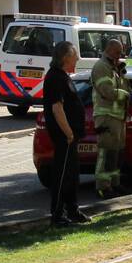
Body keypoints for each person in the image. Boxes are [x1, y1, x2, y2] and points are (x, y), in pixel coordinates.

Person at [42, 41, 89, 226]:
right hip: (64, 137)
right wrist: (68, 133)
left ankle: (72, 210)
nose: (77, 58)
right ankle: (58, 214)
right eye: (74, 56)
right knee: (62, 175)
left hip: (71, 137)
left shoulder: (63, 76)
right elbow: (57, 108)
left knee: (72, 174)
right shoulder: (55, 78)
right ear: (64, 57)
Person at [91, 39, 132, 197]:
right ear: (108, 49)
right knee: (106, 152)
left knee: (117, 153)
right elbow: (107, 91)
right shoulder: (101, 67)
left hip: (118, 117)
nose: (120, 55)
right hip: (106, 116)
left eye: (121, 52)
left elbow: (123, 86)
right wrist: (128, 96)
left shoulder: (115, 67)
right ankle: (102, 187)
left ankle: (115, 184)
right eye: (117, 52)